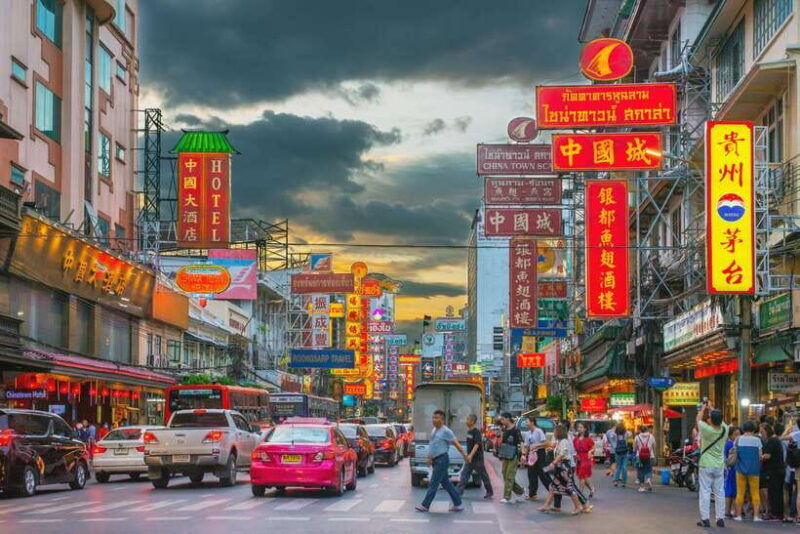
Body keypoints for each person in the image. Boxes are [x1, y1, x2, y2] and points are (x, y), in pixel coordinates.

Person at [416, 409, 468, 513]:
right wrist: (429, 458)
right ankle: (458, 504)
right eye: (433, 417)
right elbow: (432, 445)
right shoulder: (434, 430)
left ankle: (425, 505)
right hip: (436, 460)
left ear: (442, 420)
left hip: (442, 460)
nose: (434, 420)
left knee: (434, 483)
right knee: (446, 483)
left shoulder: (446, 431)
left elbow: (456, 443)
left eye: (437, 418)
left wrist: (465, 455)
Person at [538, 425, 591, 515]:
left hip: (563, 468)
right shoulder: (560, 442)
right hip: (560, 467)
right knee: (553, 486)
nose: (554, 433)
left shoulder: (563, 442)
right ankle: (546, 505)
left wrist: (553, 463)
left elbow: (562, 454)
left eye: (555, 431)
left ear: (559, 432)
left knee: (569, 487)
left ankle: (578, 506)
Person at [696, 403, 728, 528]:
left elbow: (698, 419)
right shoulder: (725, 429)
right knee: (720, 492)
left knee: (705, 491)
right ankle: (720, 518)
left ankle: (705, 519)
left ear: (710, 419)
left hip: (705, 464)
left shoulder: (706, 429)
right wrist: (712, 408)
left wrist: (703, 409)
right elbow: (720, 419)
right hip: (719, 465)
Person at [457, 413, 493, 499]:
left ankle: (489, 491)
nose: (466, 421)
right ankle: (458, 492)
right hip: (470, 458)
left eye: (468, 419)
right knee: (464, 474)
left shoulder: (476, 432)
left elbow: (477, 445)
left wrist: (471, 455)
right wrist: (467, 456)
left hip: (477, 458)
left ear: (472, 421)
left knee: (483, 475)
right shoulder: (469, 431)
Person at [733, 420, 763, 522]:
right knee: (755, 493)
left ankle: (738, 515)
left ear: (743, 428)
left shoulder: (738, 439)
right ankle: (756, 516)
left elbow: (734, 453)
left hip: (740, 469)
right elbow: (760, 456)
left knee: (740, 492)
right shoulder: (757, 440)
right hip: (754, 469)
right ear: (754, 429)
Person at [497, 412, 525, 504]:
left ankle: (506, 497)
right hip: (505, 454)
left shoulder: (516, 429)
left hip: (513, 455)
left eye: (502, 419)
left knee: (510, 476)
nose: (501, 421)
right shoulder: (504, 429)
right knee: (505, 474)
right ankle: (520, 491)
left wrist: (523, 454)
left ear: (508, 418)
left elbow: (521, 441)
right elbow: (503, 442)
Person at [761, 423, 785, 521]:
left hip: (773, 471)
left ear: (766, 431)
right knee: (778, 492)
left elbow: (767, 456)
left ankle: (774, 513)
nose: (761, 433)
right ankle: (778, 513)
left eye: (762, 431)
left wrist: (759, 457)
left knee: (773, 492)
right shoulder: (775, 440)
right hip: (778, 470)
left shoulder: (771, 441)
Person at [522, 416, 547, 501]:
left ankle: (553, 491)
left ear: (532, 422)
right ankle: (532, 494)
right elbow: (526, 446)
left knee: (542, 473)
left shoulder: (539, 431)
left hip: (540, 453)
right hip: (532, 455)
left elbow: (545, 443)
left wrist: (537, 445)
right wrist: (523, 455)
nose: (526, 423)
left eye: (527, 421)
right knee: (531, 473)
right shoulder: (527, 433)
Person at [573, 422, 595, 497]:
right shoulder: (575, 439)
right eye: (578, 427)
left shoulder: (588, 439)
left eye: (581, 427)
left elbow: (593, 448)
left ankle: (580, 493)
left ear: (585, 429)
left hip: (586, 458)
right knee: (583, 476)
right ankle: (591, 489)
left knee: (582, 476)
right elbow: (574, 449)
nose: (579, 429)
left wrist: (590, 451)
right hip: (579, 458)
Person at [724, 426, 741, 519]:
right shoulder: (730, 445)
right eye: (735, 434)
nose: (737, 436)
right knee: (731, 491)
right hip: (732, 469)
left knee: (732, 490)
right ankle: (730, 510)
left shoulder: (730, 444)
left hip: (733, 469)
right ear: (730, 435)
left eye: (739, 434)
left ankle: (730, 510)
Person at [634, 424, 654, 493]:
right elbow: (655, 446)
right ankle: (648, 479)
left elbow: (634, 449)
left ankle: (642, 487)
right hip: (650, 456)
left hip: (639, 457)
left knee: (640, 471)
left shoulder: (637, 437)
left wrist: (638, 449)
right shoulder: (651, 436)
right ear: (647, 430)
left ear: (640, 430)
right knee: (649, 469)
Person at [612, 422, 630, 487]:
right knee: (624, 467)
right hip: (625, 452)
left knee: (618, 467)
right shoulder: (626, 433)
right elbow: (630, 434)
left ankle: (616, 481)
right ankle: (624, 482)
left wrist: (615, 447)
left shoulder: (614, 434)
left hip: (617, 452)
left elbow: (611, 437)